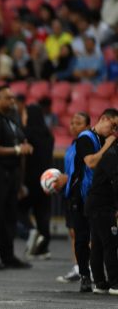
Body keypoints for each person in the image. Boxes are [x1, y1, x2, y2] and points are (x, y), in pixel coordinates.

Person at [61, 108, 118, 291]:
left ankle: (98, 279)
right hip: (80, 194)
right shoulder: (85, 138)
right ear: (103, 119)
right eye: (113, 125)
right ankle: (85, 275)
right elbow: (91, 162)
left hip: (96, 195)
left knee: (98, 240)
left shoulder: (104, 140)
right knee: (82, 236)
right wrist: (108, 144)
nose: (114, 131)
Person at [0, 85, 33, 270]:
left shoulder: (11, 119)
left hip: (11, 174)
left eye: (13, 98)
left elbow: (20, 140)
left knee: (10, 216)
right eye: (8, 98)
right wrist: (18, 149)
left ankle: (7, 254)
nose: (12, 101)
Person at [18, 98, 55, 259]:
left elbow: (23, 158)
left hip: (29, 179)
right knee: (43, 214)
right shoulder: (49, 136)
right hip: (46, 180)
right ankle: (43, 248)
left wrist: (20, 182)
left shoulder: (26, 134)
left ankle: (30, 231)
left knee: (17, 209)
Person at [57, 112, 90, 283]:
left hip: (82, 193)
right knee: (73, 232)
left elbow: (85, 172)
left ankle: (86, 267)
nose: (73, 126)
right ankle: (78, 266)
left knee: (82, 232)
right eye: (71, 122)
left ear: (87, 127)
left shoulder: (87, 145)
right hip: (70, 193)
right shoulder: (72, 145)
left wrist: (68, 179)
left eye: (78, 123)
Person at [84, 127, 118, 295]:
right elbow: (116, 181)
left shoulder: (110, 153)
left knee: (97, 244)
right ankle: (115, 283)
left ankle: (100, 282)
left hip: (96, 204)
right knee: (110, 243)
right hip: (103, 205)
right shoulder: (113, 155)